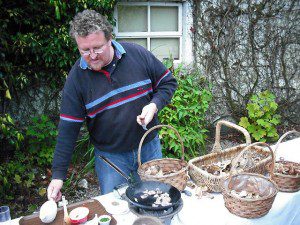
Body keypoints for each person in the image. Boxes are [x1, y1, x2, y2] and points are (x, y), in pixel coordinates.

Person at [47, 9, 177, 202]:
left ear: (110, 39)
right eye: (84, 50)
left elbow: (168, 83)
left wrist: (154, 105)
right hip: (111, 160)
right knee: (117, 210)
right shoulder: (76, 79)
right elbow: (68, 128)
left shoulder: (137, 54)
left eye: (97, 48)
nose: (91, 55)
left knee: (158, 202)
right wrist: (58, 175)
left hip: (149, 149)